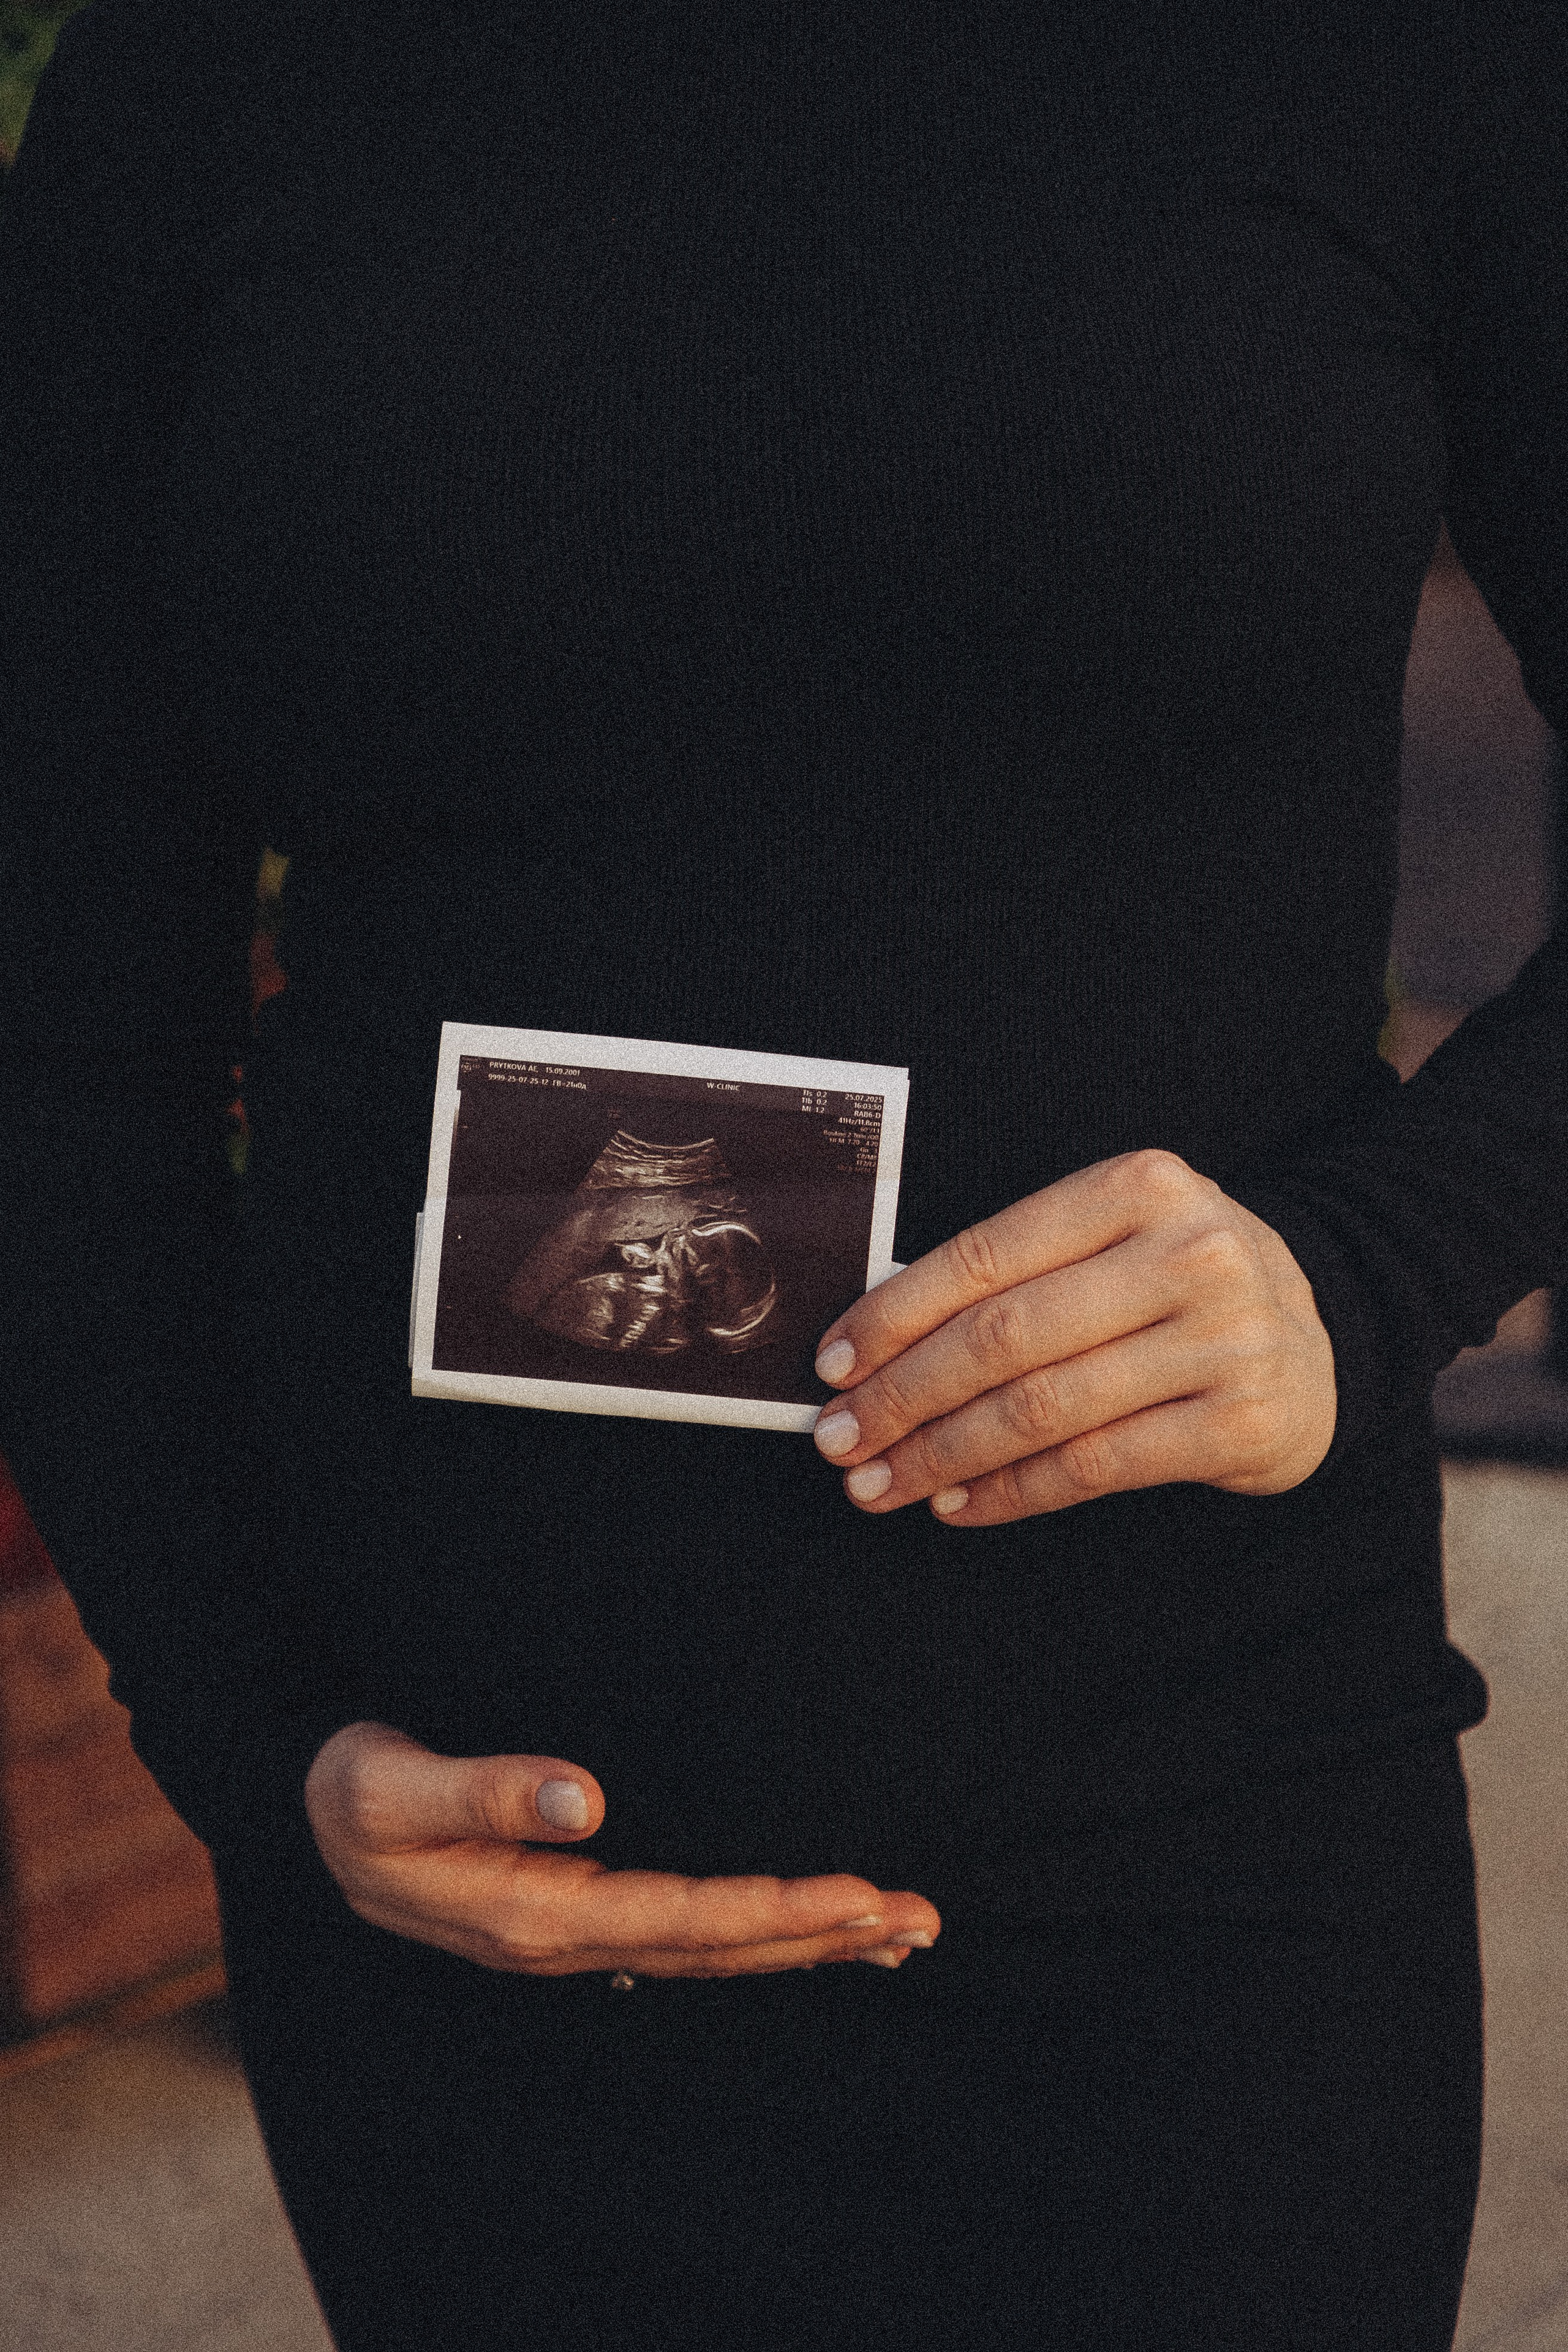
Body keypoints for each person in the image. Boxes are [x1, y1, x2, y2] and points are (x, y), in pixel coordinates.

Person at [2, 2, 1564, 2345]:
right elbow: (63, 1024)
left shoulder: (1417, 49)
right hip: (450, 1902)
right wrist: (243, 1735)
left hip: (1190, 1872)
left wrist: (1375, 1266)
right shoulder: (211, 67)